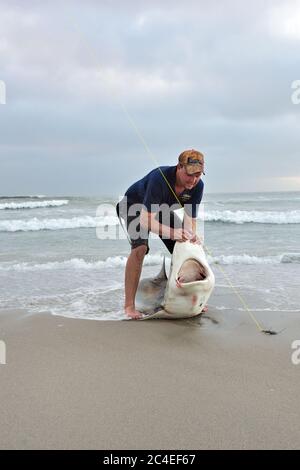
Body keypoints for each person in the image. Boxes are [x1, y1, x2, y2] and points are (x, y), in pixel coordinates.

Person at [116, 149, 205, 319]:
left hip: (161, 208)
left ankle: (190, 300)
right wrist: (173, 233)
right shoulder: (160, 179)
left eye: (198, 175)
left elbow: (190, 219)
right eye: (190, 175)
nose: (193, 180)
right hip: (133, 206)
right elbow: (145, 221)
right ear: (179, 167)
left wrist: (190, 236)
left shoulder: (197, 186)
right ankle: (129, 306)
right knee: (140, 248)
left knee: (186, 247)